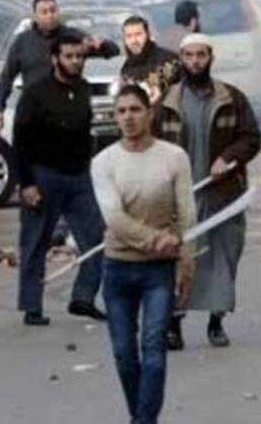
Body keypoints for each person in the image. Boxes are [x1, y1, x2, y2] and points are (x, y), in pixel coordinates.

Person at [92, 84, 195, 424]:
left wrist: (186, 259)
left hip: (158, 271)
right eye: (121, 111)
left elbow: (187, 214)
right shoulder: (104, 162)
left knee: (153, 348)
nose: (128, 117)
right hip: (118, 268)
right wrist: (155, 239)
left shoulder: (174, 157)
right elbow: (115, 218)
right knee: (124, 354)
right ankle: (142, 416)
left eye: (135, 109)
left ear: (149, 114)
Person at [156, 33, 261, 349]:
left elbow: (251, 138)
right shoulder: (167, 102)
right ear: (181, 59)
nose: (195, 62)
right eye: (189, 56)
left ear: (211, 58)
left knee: (222, 259)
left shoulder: (231, 98)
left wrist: (228, 158)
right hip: (181, 197)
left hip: (223, 195)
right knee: (178, 259)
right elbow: (150, 145)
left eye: (201, 55)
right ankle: (173, 325)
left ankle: (216, 322)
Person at [12, 33, 108, 326]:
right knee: (35, 242)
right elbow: (21, 140)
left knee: (95, 239)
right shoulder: (35, 93)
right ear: (56, 58)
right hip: (44, 175)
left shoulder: (83, 89)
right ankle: (32, 306)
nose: (75, 61)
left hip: (79, 176)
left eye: (79, 56)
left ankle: (83, 297)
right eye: (69, 56)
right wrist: (27, 183)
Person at [0, 0, 120, 134]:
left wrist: (101, 45)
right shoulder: (22, 42)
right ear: (35, 16)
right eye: (44, 12)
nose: (50, 15)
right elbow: (6, 79)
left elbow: (113, 51)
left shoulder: (73, 37)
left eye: (53, 10)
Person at [119, 15, 180, 105]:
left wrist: (152, 86)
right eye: (129, 36)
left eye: (138, 34)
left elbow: (157, 85)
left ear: (148, 35)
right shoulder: (126, 67)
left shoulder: (168, 58)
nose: (134, 40)